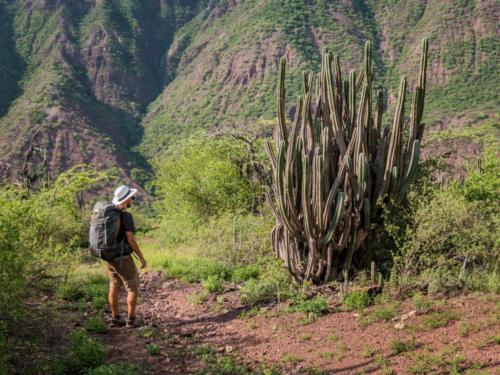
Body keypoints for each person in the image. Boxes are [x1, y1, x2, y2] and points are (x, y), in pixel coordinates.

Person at [107, 185, 147, 328]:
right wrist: (141, 257)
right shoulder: (125, 216)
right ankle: (131, 319)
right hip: (122, 257)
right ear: (126, 200)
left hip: (109, 257)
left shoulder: (109, 214)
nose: (133, 200)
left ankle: (115, 318)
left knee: (114, 286)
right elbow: (130, 239)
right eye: (131, 197)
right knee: (132, 287)